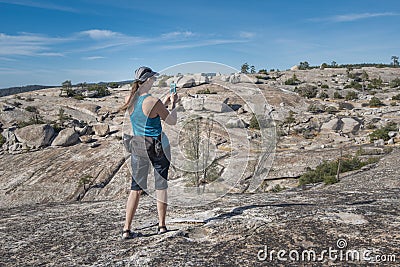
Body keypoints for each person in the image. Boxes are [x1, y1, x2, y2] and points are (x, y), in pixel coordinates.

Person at [119, 66, 178, 239]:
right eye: (152, 79)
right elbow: (171, 120)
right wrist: (173, 103)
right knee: (161, 186)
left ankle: (126, 229)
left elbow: (146, 114)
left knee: (135, 189)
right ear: (147, 81)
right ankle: (161, 226)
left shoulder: (129, 98)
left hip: (138, 145)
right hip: (158, 147)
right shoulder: (153, 101)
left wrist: (163, 103)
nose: (154, 81)